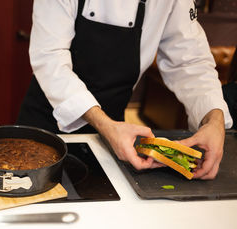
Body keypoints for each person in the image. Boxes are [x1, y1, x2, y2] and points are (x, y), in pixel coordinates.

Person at [16, 0, 233, 179]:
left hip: (115, 135)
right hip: (46, 125)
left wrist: (214, 120)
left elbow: (190, 62)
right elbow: (49, 58)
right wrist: (105, 125)